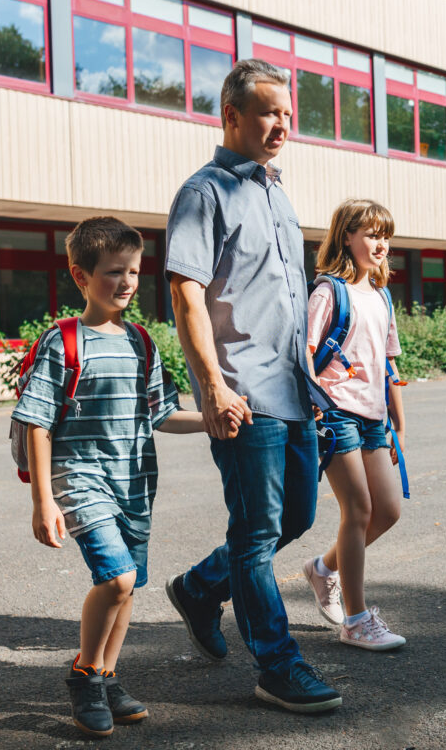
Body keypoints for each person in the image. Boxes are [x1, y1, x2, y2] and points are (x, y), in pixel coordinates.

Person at [163, 59, 342, 713]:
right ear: (232, 116)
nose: (282, 125)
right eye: (270, 112)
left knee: (297, 517)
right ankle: (277, 665)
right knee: (258, 531)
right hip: (241, 393)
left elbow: (285, 304)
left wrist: (314, 385)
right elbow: (186, 292)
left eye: (288, 115)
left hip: (291, 393)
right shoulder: (204, 192)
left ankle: (200, 587)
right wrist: (212, 386)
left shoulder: (277, 195)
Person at [13, 216, 236, 738]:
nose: (128, 282)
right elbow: (38, 422)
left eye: (134, 271)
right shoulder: (63, 341)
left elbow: (161, 414)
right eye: (114, 272)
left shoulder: (141, 342)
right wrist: (43, 502)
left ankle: (108, 674)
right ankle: (86, 675)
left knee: (128, 586)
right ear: (80, 277)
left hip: (135, 483)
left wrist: (214, 419)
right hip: (79, 477)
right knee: (118, 577)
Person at [302, 199, 408, 651]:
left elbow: (388, 362)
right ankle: (356, 620)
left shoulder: (381, 295)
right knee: (358, 510)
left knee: (388, 511)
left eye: (384, 235)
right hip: (336, 413)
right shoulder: (329, 291)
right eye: (369, 234)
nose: (379, 243)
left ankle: (323, 569)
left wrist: (398, 421)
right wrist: (315, 406)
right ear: (345, 237)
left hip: (373, 418)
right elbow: (305, 352)